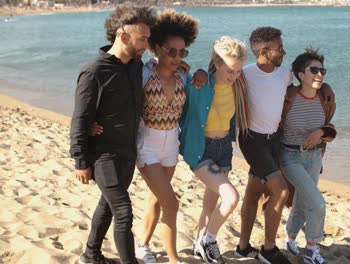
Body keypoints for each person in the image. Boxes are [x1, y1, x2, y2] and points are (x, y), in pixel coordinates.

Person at [69, 6, 155, 264]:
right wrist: (81, 161)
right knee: (123, 211)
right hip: (103, 154)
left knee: (107, 205)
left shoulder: (136, 65)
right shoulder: (94, 71)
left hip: (128, 152)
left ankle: (90, 254)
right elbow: (81, 119)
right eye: (143, 38)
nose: (147, 44)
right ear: (122, 36)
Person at [134, 9, 199, 264]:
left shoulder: (184, 75)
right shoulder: (143, 74)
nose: (177, 57)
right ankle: (173, 259)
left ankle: (142, 244)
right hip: (147, 145)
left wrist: (202, 74)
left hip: (171, 145)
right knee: (171, 203)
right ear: (157, 47)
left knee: (157, 200)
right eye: (171, 51)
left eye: (182, 52)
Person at [179, 36, 250, 264]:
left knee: (210, 202)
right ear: (217, 63)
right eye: (230, 70)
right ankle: (209, 240)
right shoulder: (199, 84)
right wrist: (196, 70)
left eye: (238, 70)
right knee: (231, 197)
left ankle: (198, 242)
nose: (234, 75)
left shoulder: (237, 85)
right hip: (202, 150)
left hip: (224, 149)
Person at [235, 26, 292, 264]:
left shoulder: (285, 72)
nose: (284, 51)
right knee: (281, 191)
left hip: (273, 141)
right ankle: (268, 251)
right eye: (279, 48)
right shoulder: (244, 74)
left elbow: (299, 92)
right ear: (265, 51)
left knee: (254, 191)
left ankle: (242, 246)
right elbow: (216, 78)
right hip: (252, 140)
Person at [279, 48, 336, 264]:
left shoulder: (324, 98)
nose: (320, 74)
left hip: (314, 158)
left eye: (322, 70)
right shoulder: (289, 98)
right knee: (317, 203)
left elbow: (330, 127)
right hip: (290, 156)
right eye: (314, 70)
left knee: (303, 202)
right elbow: (275, 126)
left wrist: (321, 132)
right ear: (301, 74)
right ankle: (312, 249)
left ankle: (290, 239)